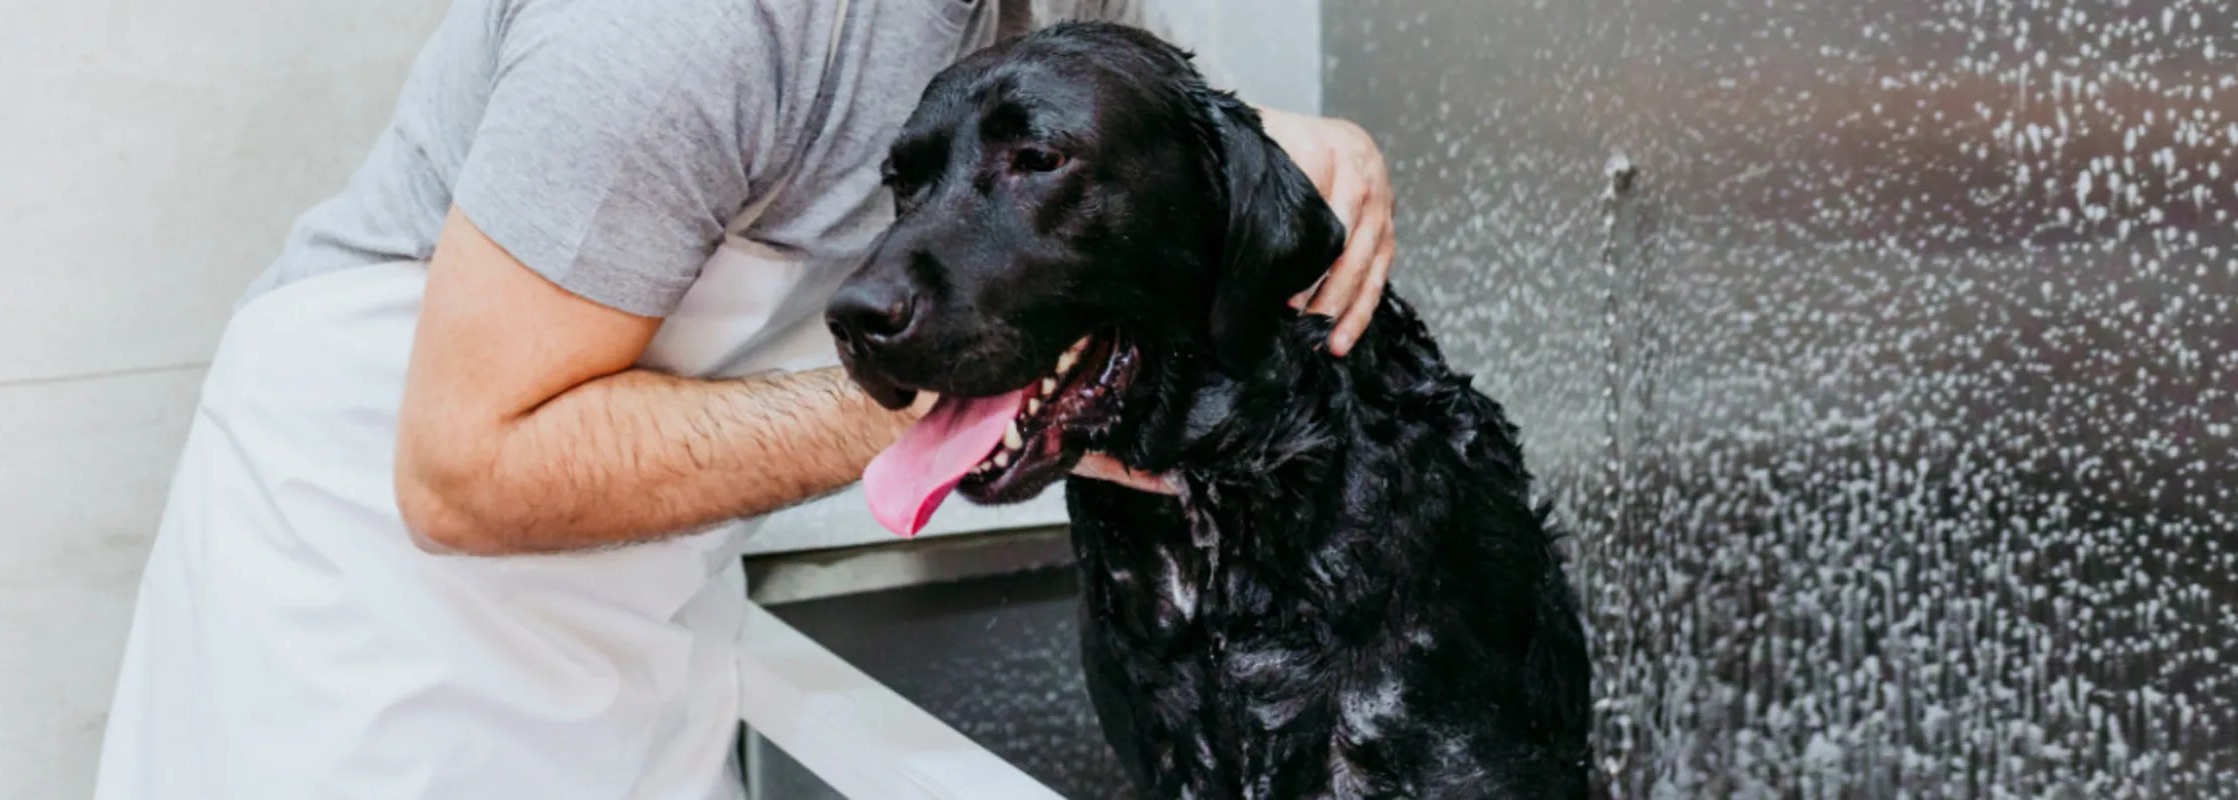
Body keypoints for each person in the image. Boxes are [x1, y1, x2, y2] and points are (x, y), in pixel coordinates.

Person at [92, 0, 1398, 796]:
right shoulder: (691, 18)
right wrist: (936, 405)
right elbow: (462, 466)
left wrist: (1264, 144)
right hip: (370, 581)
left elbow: (1034, 145)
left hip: (634, 591)